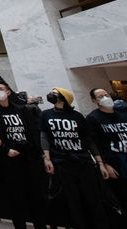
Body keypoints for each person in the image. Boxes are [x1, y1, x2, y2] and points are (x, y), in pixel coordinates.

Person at [0, 80, 45, 229]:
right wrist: (5, 149)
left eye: (1, 88)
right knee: (16, 199)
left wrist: (39, 153)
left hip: (27, 157)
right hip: (9, 161)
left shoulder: (21, 110)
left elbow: (32, 130)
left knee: (35, 197)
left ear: (8, 92)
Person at [40, 87, 108, 229]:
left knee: (93, 198)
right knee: (72, 200)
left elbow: (88, 140)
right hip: (62, 162)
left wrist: (100, 162)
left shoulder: (77, 116)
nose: (51, 95)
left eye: (55, 93)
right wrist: (47, 158)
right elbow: (44, 137)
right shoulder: (46, 115)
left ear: (63, 97)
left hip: (83, 161)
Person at [87, 88, 127, 224]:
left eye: (106, 95)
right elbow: (95, 143)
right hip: (115, 163)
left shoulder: (122, 114)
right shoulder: (93, 118)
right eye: (100, 97)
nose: (105, 98)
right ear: (94, 100)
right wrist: (104, 164)